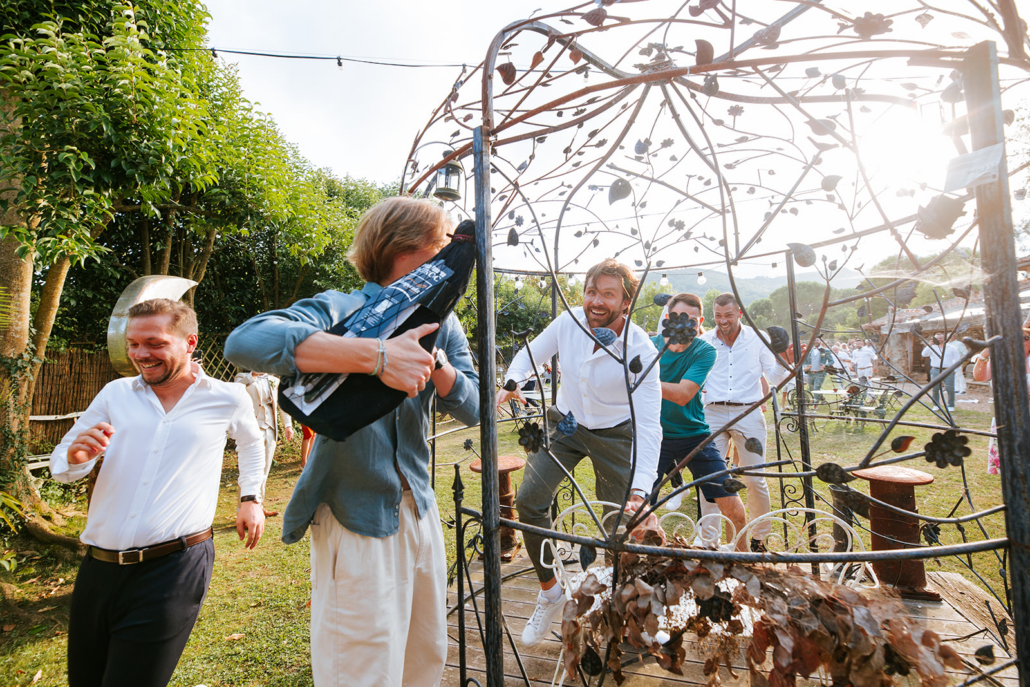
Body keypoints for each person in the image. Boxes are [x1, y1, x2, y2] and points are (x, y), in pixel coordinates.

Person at [224, 197, 480, 687]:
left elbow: (475, 407)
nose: (453, 255)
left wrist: (435, 361)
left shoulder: (442, 323)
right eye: (445, 243)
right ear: (408, 248)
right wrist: (378, 355)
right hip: (355, 515)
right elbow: (246, 342)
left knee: (423, 660)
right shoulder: (341, 307)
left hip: (421, 513)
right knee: (361, 670)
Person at [50, 298, 266, 687]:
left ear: (189, 342)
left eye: (154, 343)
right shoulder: (115, 394)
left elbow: (253, 443)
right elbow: (62, 466)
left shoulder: (227, 397)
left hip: (173, 568)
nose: (140, 354)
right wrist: (78, 456)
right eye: (133, 344)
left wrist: (251, 498)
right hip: (97, 570)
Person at [498, 259, 662, 648]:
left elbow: (651, 425)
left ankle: (628, 616)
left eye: (608, 294)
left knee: (620, 526)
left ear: (627, 301)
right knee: (529, 501)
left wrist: (640, 489)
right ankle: (551, 592)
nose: (597, 301)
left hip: (617, 435)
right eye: (592, 291)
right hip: (567, 426)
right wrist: (511, 380)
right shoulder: (569, 321)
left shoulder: (640, 348)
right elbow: (530, 353)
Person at [649, 293, 747, 550]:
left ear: (700, 321)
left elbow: (683, 395)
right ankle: (639, 563)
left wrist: (641, 384)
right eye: (680, 318)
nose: (686, 325)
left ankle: (745, 561)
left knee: (731, 503)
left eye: (692, 321)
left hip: (694, 435)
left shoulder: (705, 350)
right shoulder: (648, 346)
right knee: (637, 506)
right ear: (668, 319)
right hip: (653, 435)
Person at [699, 293, 789, 552]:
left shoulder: (757, 337)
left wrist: (781, 352)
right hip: (713, 412)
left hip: (748, 413)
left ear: (739, 313)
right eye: (718, 315)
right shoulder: (705, 340)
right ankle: (710, 540)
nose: (722, 321)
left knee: (754, 477)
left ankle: (759, 538)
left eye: (728, 315)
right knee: (710, 477)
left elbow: (774, 377)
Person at [234, 370, 295, 516]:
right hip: (251, 429)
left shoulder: (274, 380)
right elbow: (235, 390)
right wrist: (252, 376)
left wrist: (288, 425)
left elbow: (282, 404)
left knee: (264, 470)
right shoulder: (242, 377)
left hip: (270, 428)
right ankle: (243, 509)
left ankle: (258, 506)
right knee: (249, 471)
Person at [972, 325, 1030, 474]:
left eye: (1026, 338)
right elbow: (980, 377)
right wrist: (984, 353)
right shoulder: (1001, 360)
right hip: (1006, 414)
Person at [921, 332, 963, 411]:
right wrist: (929, 345)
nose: (939, 340)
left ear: (944, 339)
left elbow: (957, 360)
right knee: (935, 388)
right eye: (937, 338)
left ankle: (951, 405)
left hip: (948, 370)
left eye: (941, 338)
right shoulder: (932, 347)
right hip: (935, 369)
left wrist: (955, 371)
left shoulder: (951, 348)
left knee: (950, 388)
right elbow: (924, 354)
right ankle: (936, 405)